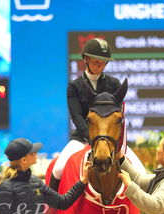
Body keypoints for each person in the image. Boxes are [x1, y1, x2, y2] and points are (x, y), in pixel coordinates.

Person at [50, 37, 145, 189]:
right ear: (86, 59)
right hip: (83, 137)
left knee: (140, 171)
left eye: (103, 62)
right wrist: (90, 136)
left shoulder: (113, 84)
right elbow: (76, 115)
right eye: (96, 61)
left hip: (110, 140)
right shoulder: (74, 86)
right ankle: (51, 206)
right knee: (58, 168)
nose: (100, 65)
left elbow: (116, 117)